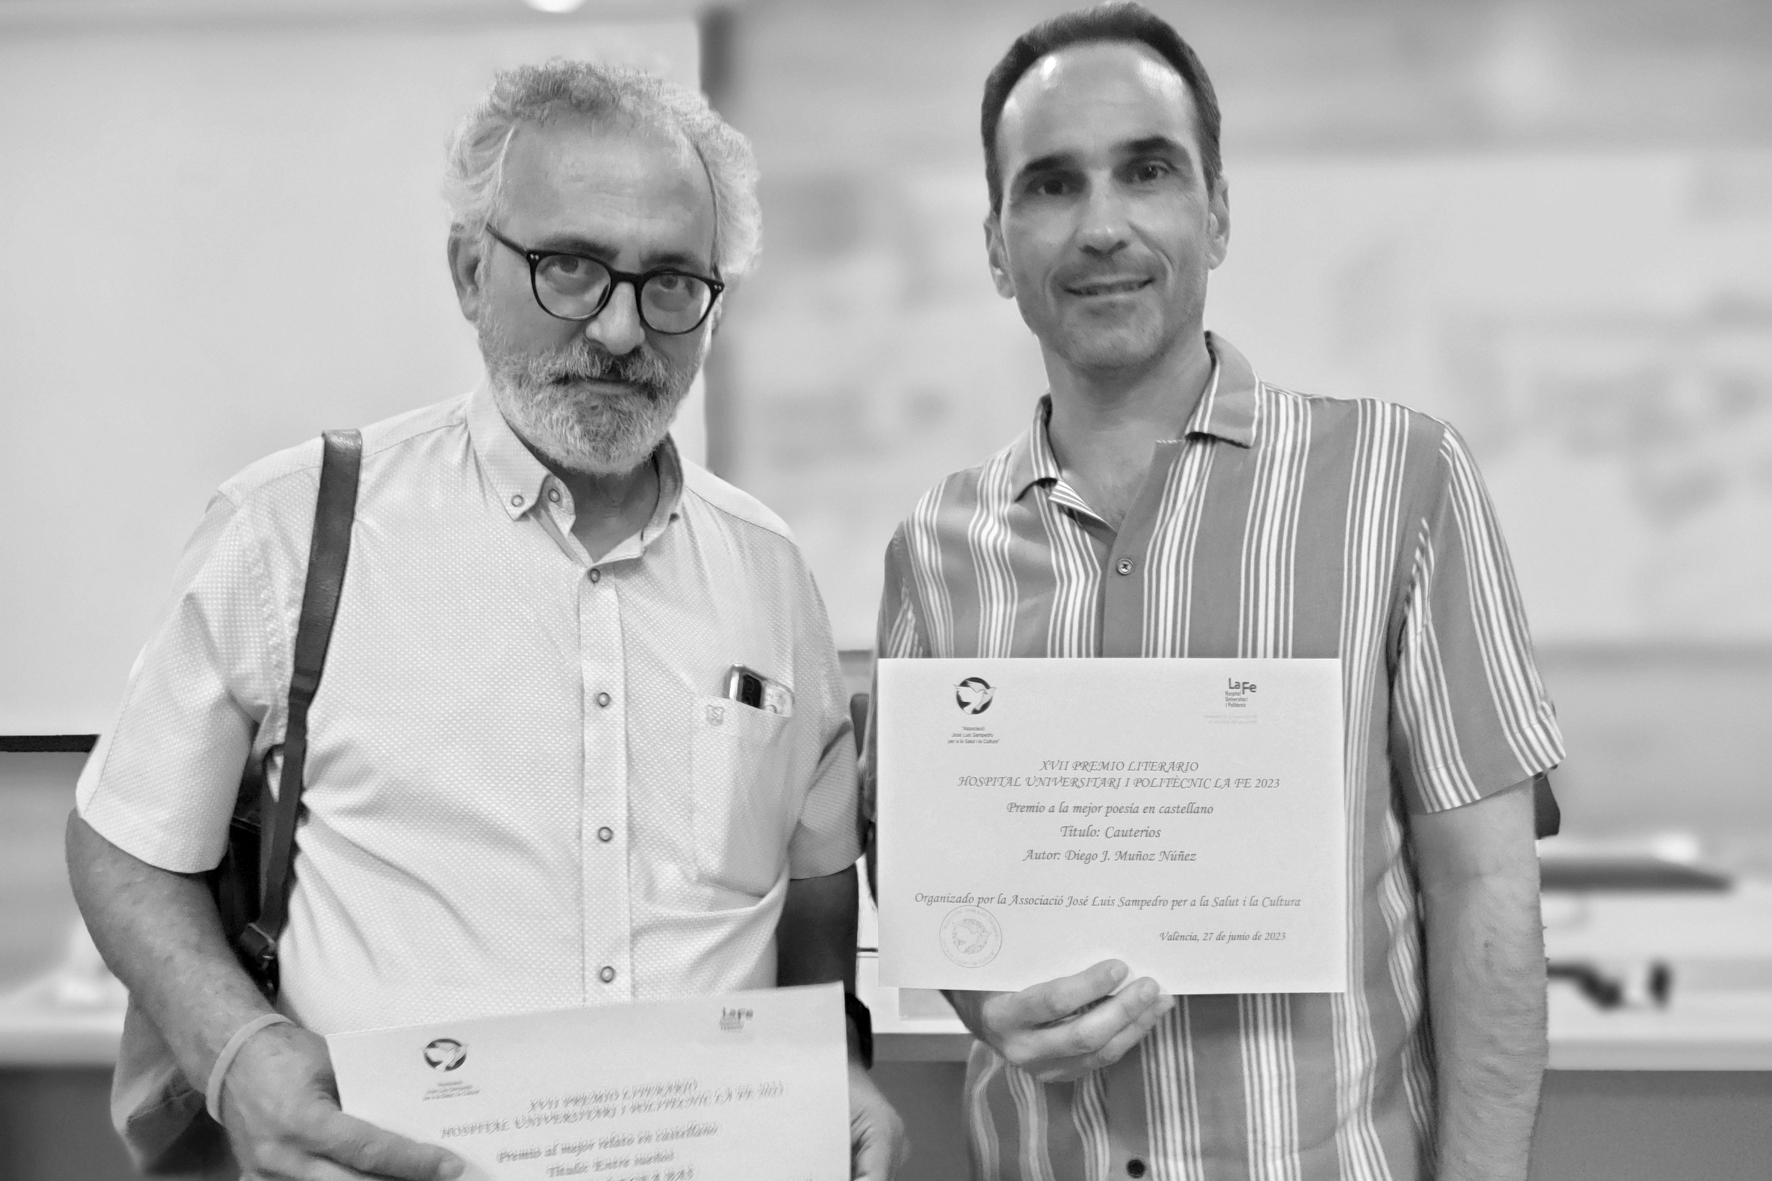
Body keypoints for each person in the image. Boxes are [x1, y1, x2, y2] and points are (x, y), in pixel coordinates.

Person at [66, 60, 903, 1181]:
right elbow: (124, 843)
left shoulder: (768, 571)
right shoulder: (292, 530)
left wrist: (833, 1059)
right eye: (570, 268)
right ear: (470, 270)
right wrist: (239, 1052)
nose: (621, 329)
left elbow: (812, 883)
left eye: (670, 283)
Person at [868, 6, 1563, 1179]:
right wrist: (981, 994)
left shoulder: (1399, 481)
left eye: (1146, 171)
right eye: (1050, 185)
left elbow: (1483, 885)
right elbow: (925, 865)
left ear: (1217, 211)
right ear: (994, 245)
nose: (1101, 225)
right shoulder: (933, 550)